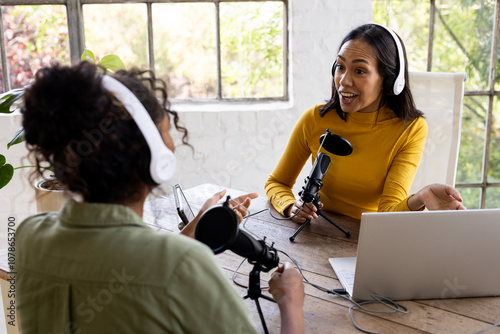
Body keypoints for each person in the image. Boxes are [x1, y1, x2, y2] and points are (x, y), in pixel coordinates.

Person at [15, 62, 305, 333]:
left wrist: (196, 225)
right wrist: (290, 301)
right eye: (166, 132)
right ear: (150, 158)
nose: (171, 146)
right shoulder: (184, 264)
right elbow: (159, 266)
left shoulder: (30, 236)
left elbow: (138, 265)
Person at [265, 23, 466, 223]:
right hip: (318, 231)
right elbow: (277, 183)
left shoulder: (411, 129)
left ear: (388, 80)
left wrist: (421, 197)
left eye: (359, 71)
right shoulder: (315, 118)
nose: (344, 81)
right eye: (340, 67)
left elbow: (387, 214)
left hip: (366, 236)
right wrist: (291, 206)